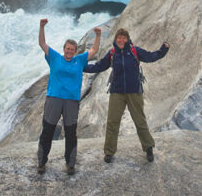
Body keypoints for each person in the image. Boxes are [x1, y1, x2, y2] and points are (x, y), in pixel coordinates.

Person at [84, 28, 169, 163]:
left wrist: (163, 50)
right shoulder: (112, 53)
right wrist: (83, 67)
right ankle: (109, 152)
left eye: (124, 37)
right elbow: (99, 66)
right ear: (115, 39)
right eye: (119, 37)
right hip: (117, 92)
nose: (121, 40)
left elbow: (151, 56)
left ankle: (148, 148)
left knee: (139, 120)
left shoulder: (135, 51)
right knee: (112, 122)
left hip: (134, 91)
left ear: (128, 39)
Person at [37, 18, 101, 175]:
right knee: (48, 130)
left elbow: (94, 50)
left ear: (75, 51)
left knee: (71, 133)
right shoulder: (55, 58)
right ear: (64, 49)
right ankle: (41, 162)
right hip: (54, 99)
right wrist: (42, 27)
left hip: (71, 102)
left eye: (72, 49)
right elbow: (42, 44)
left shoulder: (79, 60)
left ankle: (70, 163)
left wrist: (98, 35)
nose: (69, 51)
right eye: (67, 49)